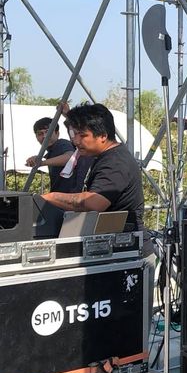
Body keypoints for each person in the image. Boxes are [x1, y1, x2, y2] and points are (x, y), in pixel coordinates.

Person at [41, 103, 152, 257]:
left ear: (103, 136)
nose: (76, 141)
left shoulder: (115, 162)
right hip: (115, 249)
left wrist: (49, 198)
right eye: (75, 135)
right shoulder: (105, 156)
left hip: (129, 252)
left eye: (83, 135)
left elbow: (94, 202)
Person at [26, 116, 74, 192]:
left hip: (69, 197)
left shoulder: (62, 143)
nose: (45, 136)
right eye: (40, 133)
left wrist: (42, 163)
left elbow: (70, 158)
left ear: (57, 133)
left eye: (48, 132)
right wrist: (37, 159)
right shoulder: (51, 151)